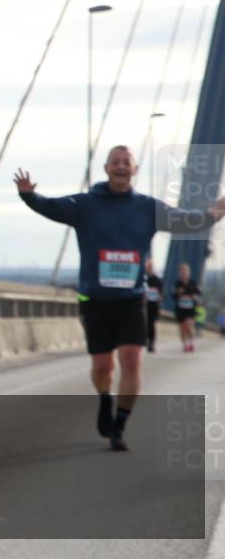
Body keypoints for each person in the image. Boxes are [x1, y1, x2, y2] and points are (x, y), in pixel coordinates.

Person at [14, 146, 225, 450]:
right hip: (95, 301)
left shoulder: (148, 208)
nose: (121, 166)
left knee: (132, 360)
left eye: (127, 162)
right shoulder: (85, 204)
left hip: (132, 300)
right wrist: (28, 195)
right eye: (116, 162)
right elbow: (50, 207)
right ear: (106, 168)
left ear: (135, 170)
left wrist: (217, 210)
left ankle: (120, 425)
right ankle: (104, 398)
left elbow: (189, 221)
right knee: (103, 368)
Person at [173, 263, 201, 353]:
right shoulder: (177, 284)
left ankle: (191, 343)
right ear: (180, 273)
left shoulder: (193, 283)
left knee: (188, 325)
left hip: (190, 309)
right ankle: (185, 345)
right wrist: (178, 293)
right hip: (180, 309)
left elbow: (198, 294)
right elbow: (173, 296)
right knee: (182, 328)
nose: (184, 274)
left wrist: (194, 296)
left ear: (188, 273)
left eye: (185, 272)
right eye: (182, 272)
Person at [144, 258, 163, 353]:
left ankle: (151, 342)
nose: (149, 269)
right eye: (147, 267)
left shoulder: (157, 280)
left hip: (154, 305)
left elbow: (161, 294)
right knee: (145, 323)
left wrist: (159, 298)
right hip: (144, 305)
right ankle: (146, 340)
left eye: (150, 267)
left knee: (152, 324)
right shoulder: (143, 279)